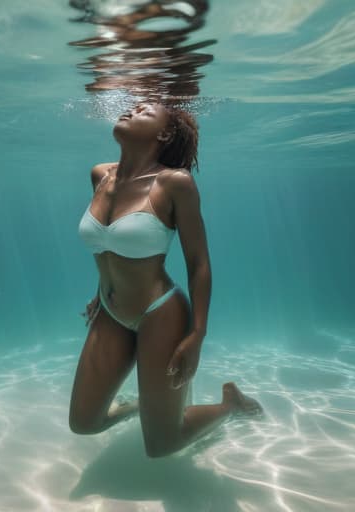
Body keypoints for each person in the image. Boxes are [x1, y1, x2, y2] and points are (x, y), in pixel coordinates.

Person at [70, 101, 263, 458]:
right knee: (84, 423)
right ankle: (144, 405)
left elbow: (198, 262)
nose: (130, 111)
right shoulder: (100, 175)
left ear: (164, 133)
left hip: (160, 313)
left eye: (145, 111)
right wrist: (101, 291)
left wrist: (197, 335)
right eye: (132, 107)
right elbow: (108, 245)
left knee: (163, 445)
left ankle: (230, 405)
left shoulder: (175, 183)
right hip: (111, 314)